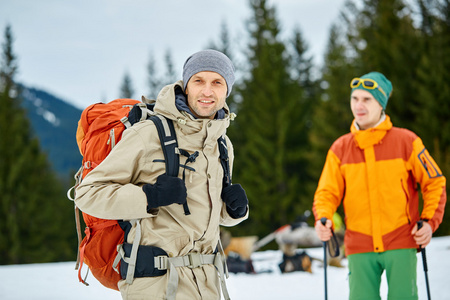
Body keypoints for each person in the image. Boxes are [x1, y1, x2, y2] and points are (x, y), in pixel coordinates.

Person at [75, 49, 249, 300]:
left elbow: (201, 214)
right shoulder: (148, 134)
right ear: (186, 86)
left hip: (207, 284)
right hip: (156, 286)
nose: (207, 91)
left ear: (227, 90)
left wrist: (233, 211)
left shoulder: (221, 143)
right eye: (199, 81)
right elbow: (88, 194)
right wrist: (149, 197)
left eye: (217, 82)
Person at [313, 71, 446, 299]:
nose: (359, 105)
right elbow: (327, 192)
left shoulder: (407, 141)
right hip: (359, 244)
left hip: (401, 240)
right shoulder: (340, 148)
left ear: (381, 103)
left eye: (367, 99)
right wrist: (323, 218)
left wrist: (429, 222)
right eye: (355, 98)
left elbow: (434, 182)